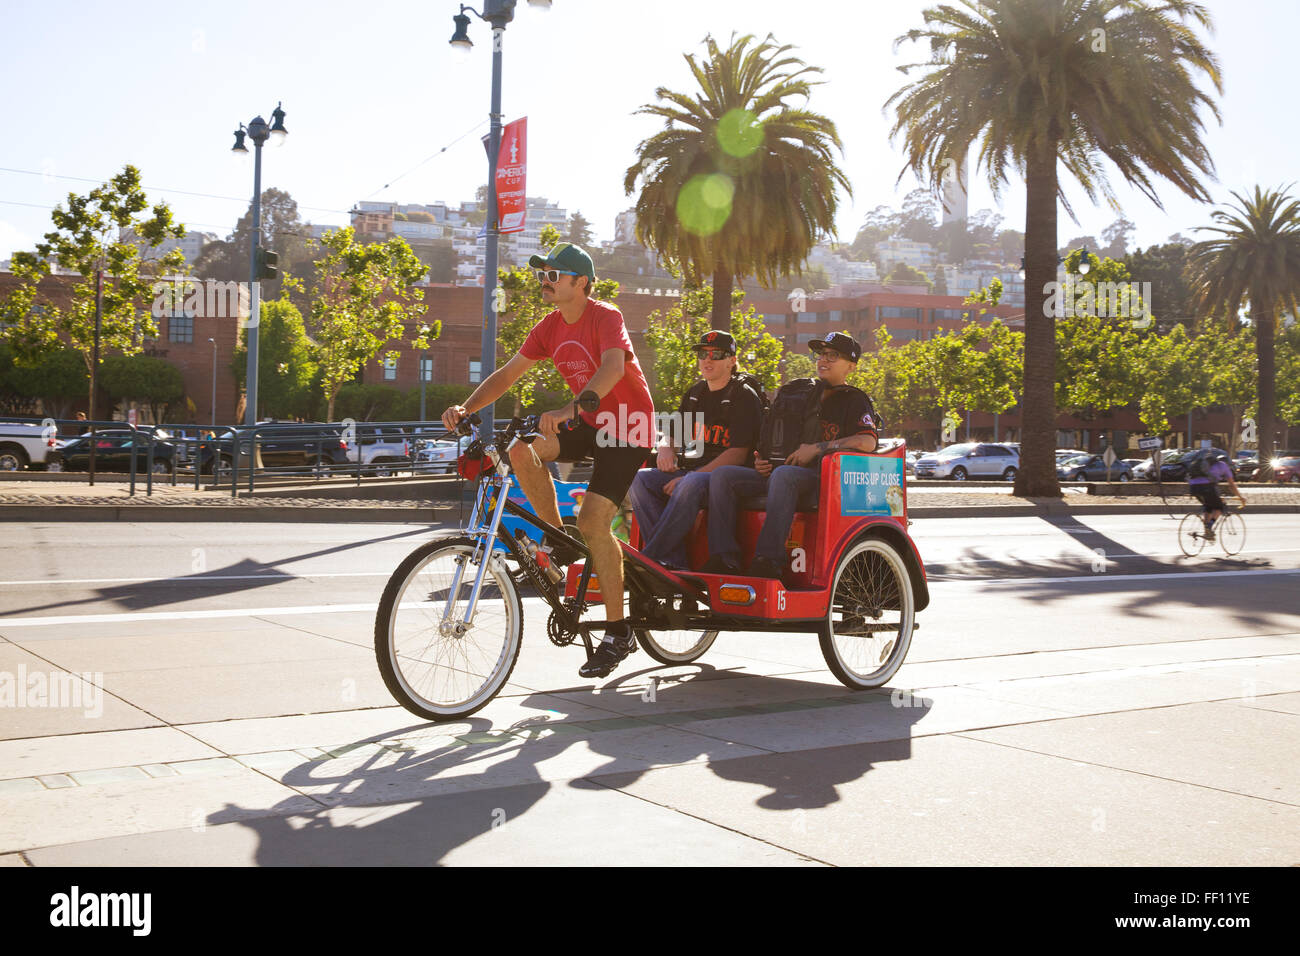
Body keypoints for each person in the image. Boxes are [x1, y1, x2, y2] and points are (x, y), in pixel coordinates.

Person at [441, 242, 654, 679]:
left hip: (628, 426)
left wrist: (569, 411)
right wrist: (467, 408)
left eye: (554, 275)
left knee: (595, 523)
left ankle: (618, 631)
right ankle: (556, 539)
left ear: (581, 282)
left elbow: (612, 369)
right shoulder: (548, 326)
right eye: (543, 274)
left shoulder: (605, 316)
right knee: (522, 451)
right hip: (590, 420)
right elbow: (507, 374)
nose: (545, 281)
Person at [702, 332, 878, 582]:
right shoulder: (801, 392)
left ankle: (768, 560)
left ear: (851, 366)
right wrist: (761, 459)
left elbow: (867, 441)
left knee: (784, 476)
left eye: (833, 356)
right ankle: (724, 558)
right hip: (783, 473)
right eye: (821, 355)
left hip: (823, 479)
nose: (823, 361)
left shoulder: (854, 399)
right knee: (723, 476)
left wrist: (817, 448)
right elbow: (776, 437)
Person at [627, 330, 763, 569]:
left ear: (732, 361)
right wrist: (666, 448)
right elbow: (671, 434)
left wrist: (693, 476)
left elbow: (738, 453)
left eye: (717, 354)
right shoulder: (696, 394)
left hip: (729, 478)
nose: (708, 360)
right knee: (639, 479)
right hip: (694, 473)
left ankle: (651, 557)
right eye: (703, 354)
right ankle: (673, 562)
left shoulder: (743, 395)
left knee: (689, 483)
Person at [1188, 449, 1244, 541]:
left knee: (1208, 506)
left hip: (1193, 487)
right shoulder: (1224, 466)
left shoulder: (1208, 465)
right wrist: (1240, 497)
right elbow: (1231, 485)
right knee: (1219, 507)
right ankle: (1209, 527)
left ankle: (1207, 532)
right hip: (1207, 487)